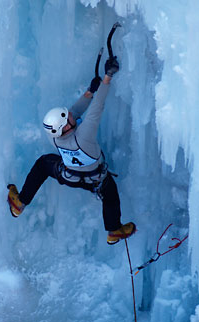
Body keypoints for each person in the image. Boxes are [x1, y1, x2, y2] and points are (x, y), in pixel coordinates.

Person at [8, 56, 136, 245]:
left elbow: (75, 112)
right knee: (110, 194)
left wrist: (89, 92)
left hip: (68, 175)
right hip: (96, 179)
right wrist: (108, 77)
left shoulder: (54, 136)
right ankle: (114, 229)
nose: (70, 114)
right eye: (67, 116)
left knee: (44, 164)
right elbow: (97, 108)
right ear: (66, 126)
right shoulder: (84, 135)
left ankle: (20, 203)